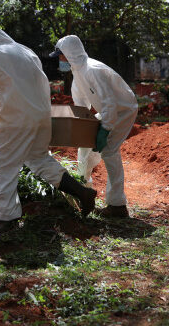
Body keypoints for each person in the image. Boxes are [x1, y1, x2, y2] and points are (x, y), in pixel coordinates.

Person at [0, 23, 97, 232]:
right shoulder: (26, 51)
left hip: (17, 120)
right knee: (39, 159)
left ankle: (7, 220)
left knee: (3, 167)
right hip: (41, 116)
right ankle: (83, 193)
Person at [51, 35, 138, 218]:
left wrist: (104, 130)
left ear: (69, 54)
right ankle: (84, 188)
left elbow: (110, 103)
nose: (59, 59)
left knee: (109, 150)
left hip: (124, 110)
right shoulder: (78, 72)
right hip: (110, 110)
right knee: (84, 145)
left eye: (60, 55)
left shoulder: (93, 70)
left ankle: (117, 205)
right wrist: (83, 127)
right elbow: (82, 106)